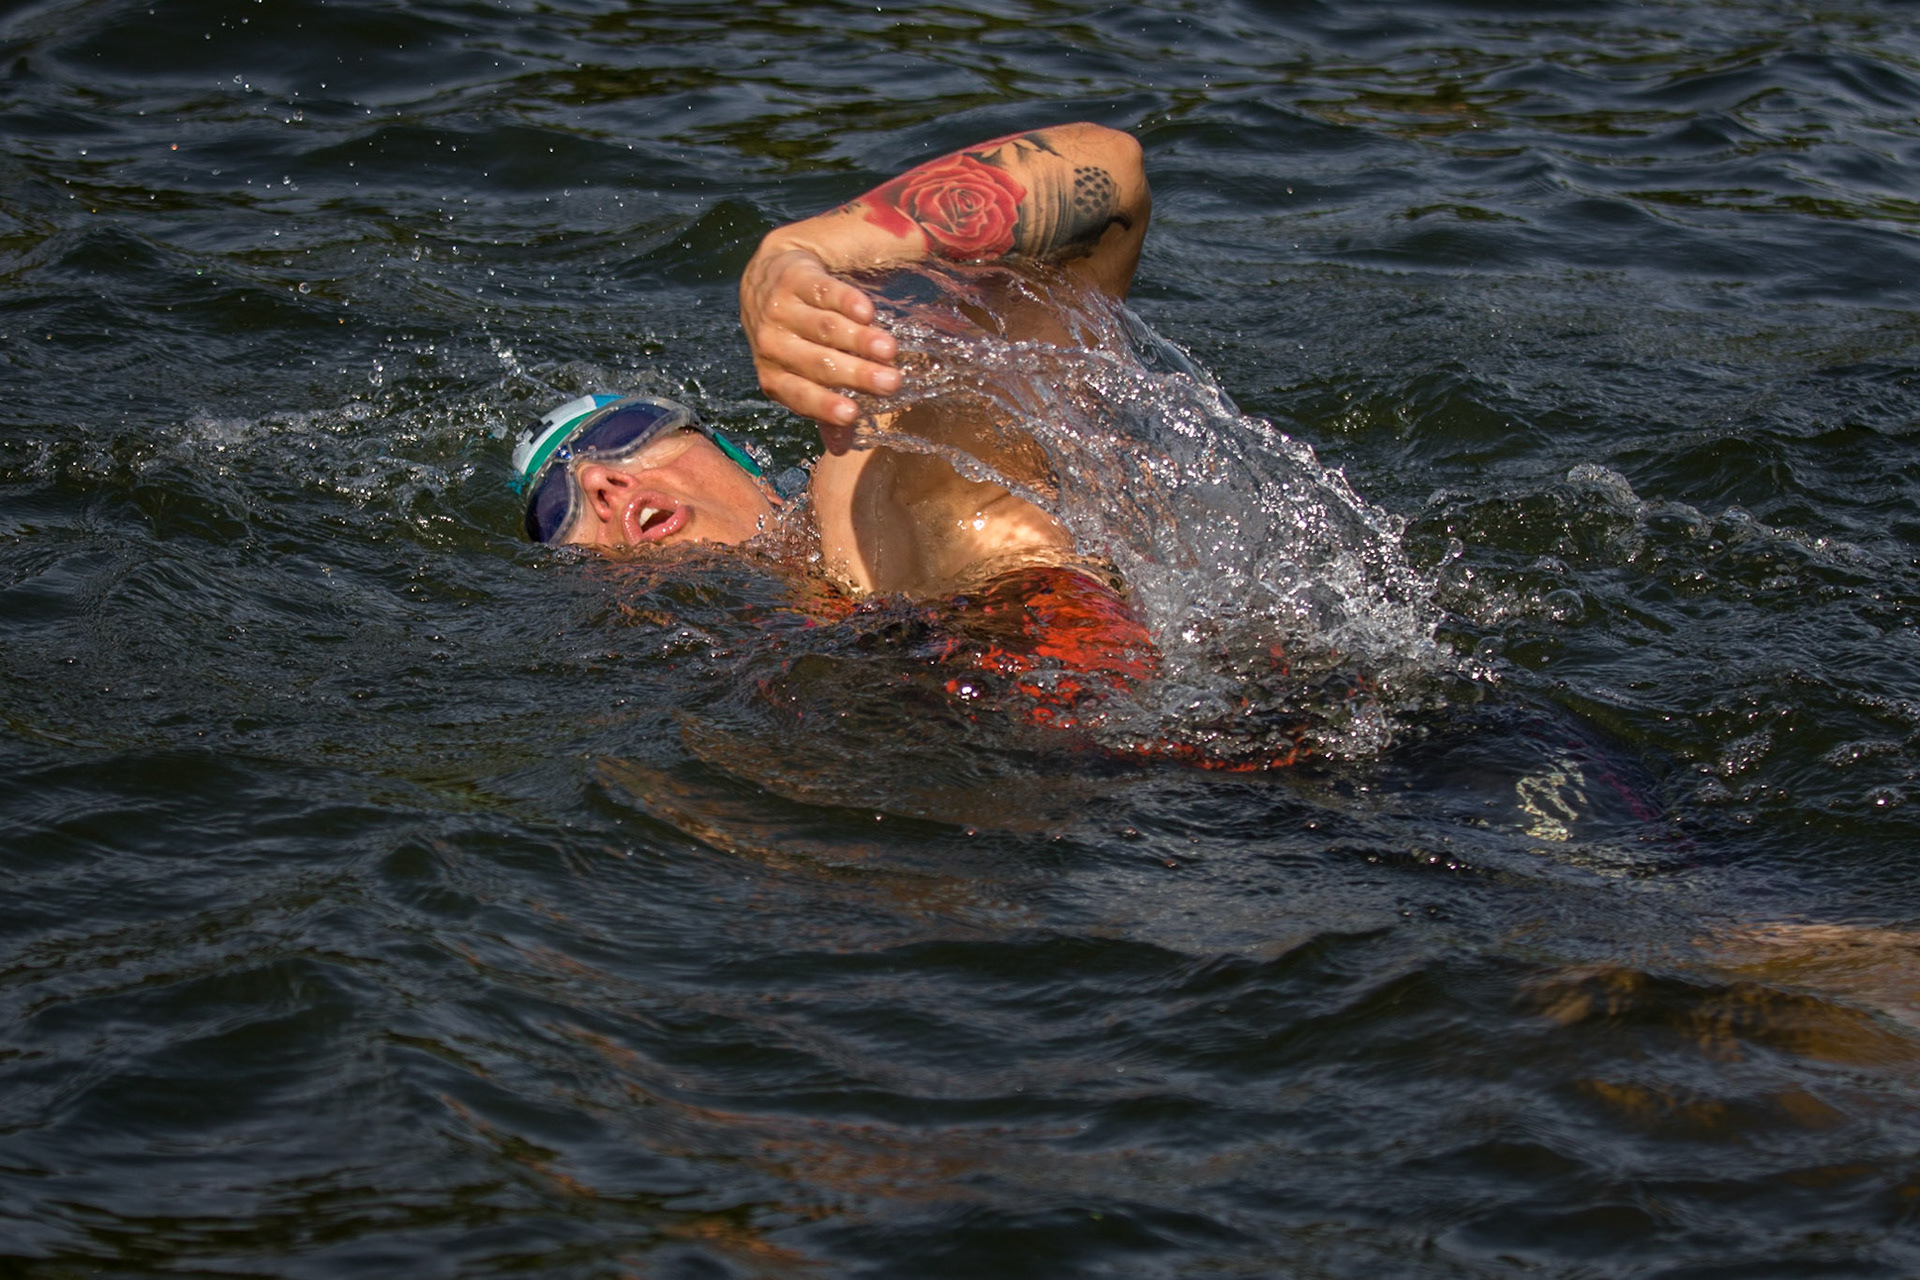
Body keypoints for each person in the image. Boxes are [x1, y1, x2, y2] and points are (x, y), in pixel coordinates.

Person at [509, 122, 1150, 599]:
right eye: (555, 509)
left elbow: (1111, 174)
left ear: (744, 464)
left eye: (627, 433)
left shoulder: (874, 483)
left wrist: (801, 250)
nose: (598, 479)